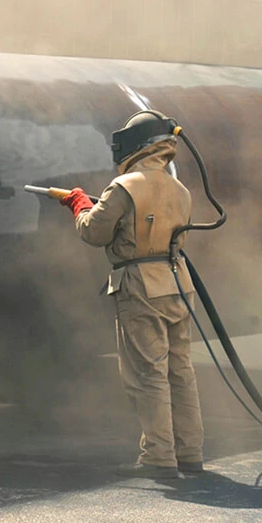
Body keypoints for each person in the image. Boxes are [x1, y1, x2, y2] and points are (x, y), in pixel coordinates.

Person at [52, 111, 203, 480]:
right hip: (178, 284)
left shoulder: (124, 187)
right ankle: (190, 453)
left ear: (135, 146)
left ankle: (158, 456)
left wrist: (78, 204)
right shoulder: (179, 190)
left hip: (141, 286)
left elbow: (93, 232)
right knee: (180, 371)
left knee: (148, 373)